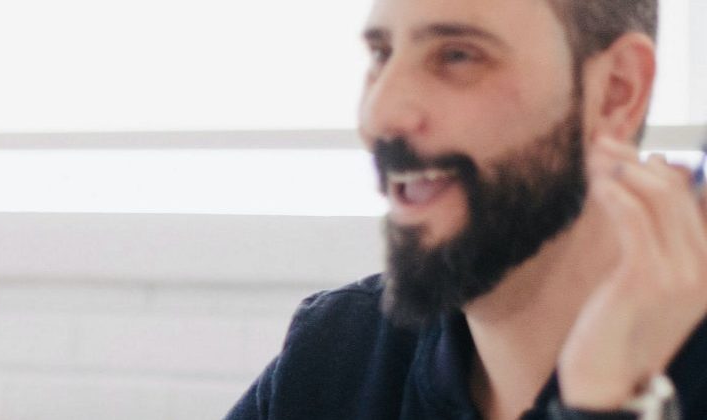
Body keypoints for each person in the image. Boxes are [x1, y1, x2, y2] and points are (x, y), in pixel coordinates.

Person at [227, 1, 707, 419]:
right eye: (381, 54)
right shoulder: (336, 357)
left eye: (457, 55)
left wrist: (611, 406)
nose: (380, 115)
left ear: (616, 92)